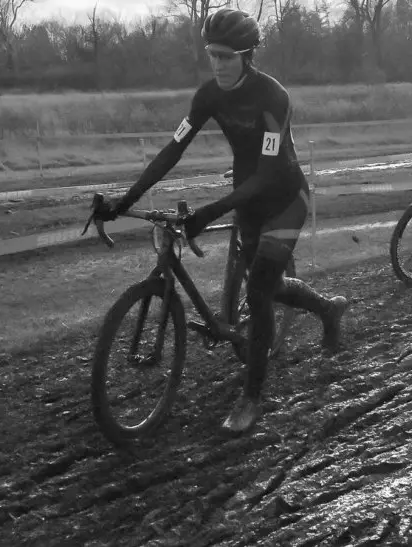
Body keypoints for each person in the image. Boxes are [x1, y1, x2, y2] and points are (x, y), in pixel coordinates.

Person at [96, 8, 349, 434]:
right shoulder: (209, 94)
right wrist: (125, 201)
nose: (217, 64)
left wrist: (211, 211)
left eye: (226, 56)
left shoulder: (273, 96)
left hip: (285, 198)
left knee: (260, 291)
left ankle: (251, 398)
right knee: (269, 285)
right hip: (248, 199)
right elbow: (172, 151)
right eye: (212, 54)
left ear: (247, 55)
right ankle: (326, 309)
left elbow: (269, 172)